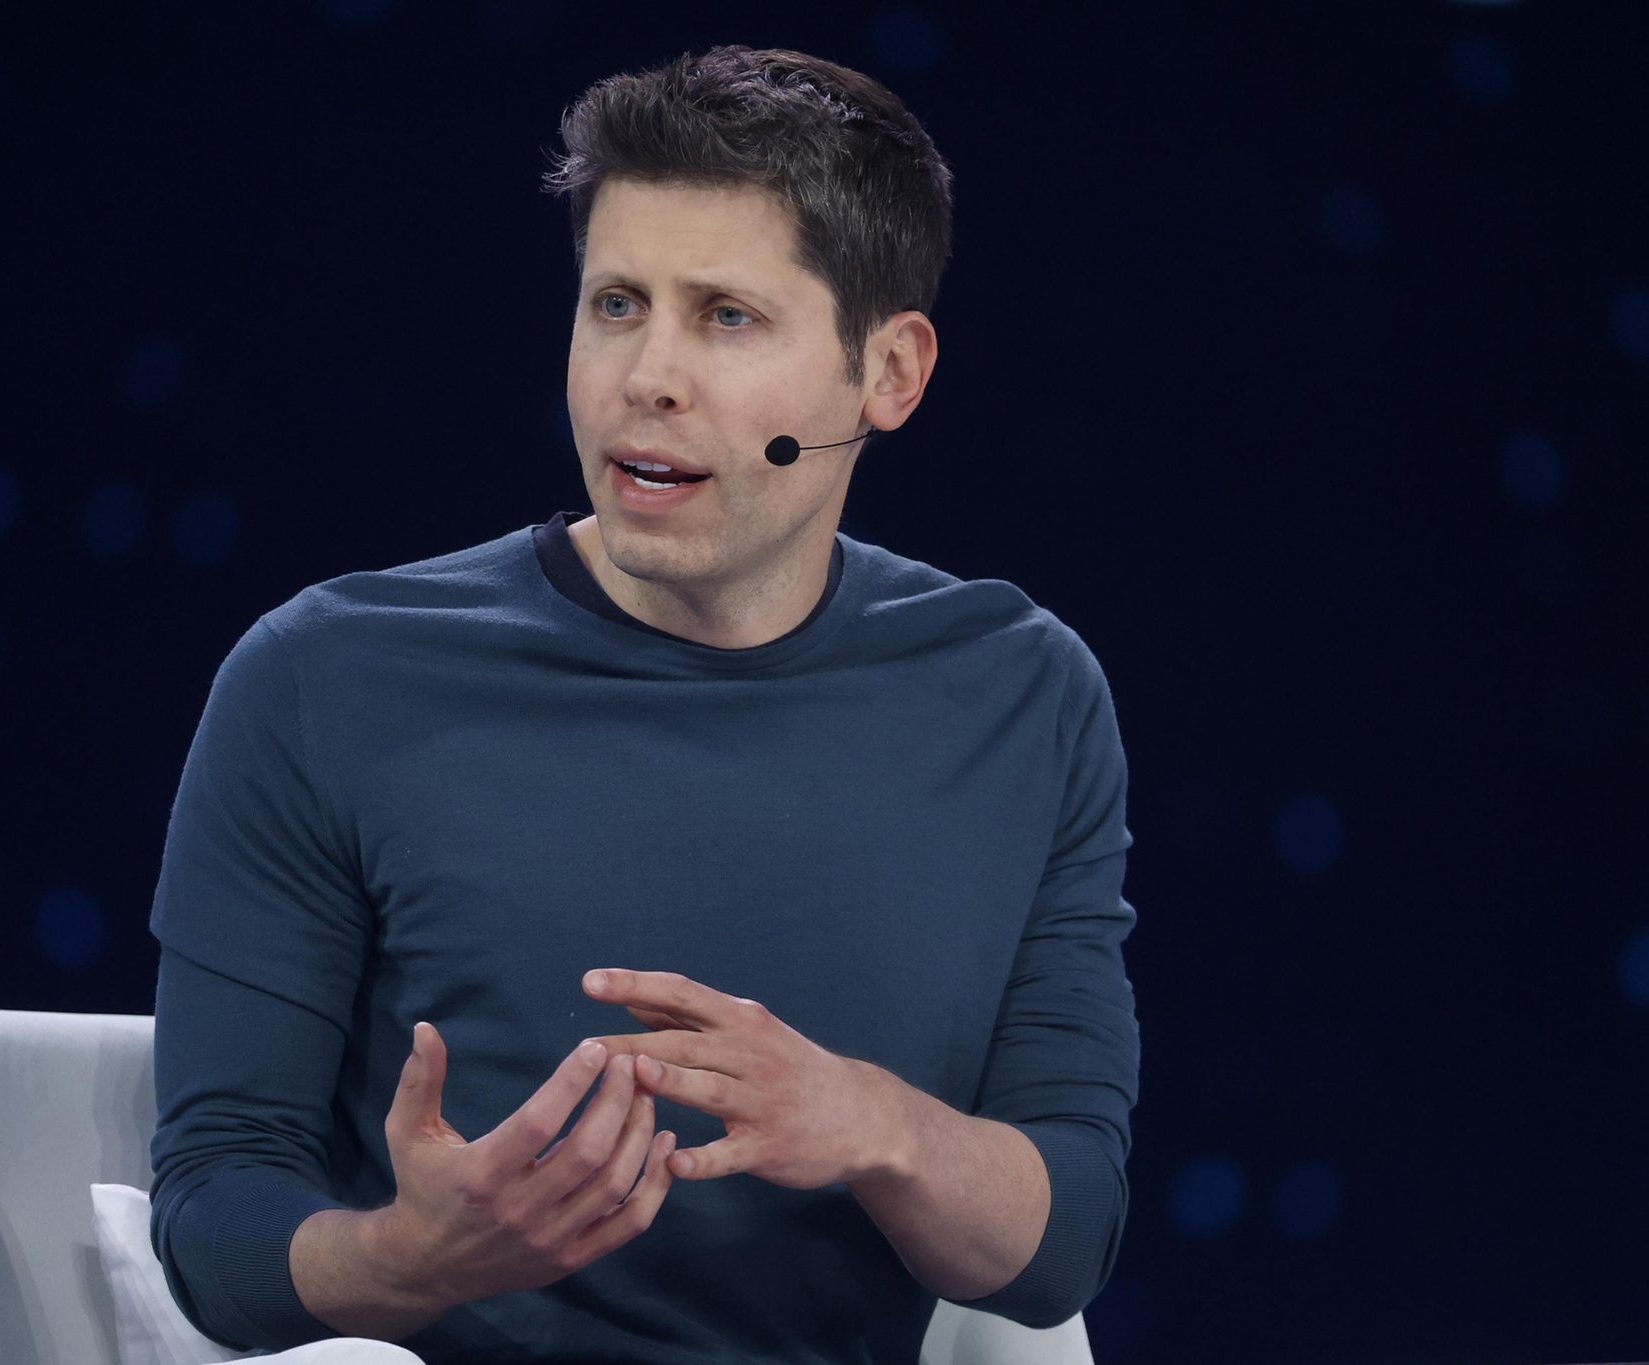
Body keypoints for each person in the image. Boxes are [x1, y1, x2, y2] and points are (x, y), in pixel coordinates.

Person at [148, 43, 1139, 1364]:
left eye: (724, 317)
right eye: (616, 304)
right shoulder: (326, 680)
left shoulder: (1021, 697)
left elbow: (1058, 1242)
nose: (644, 377)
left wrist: (871, 1124)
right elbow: (215, 1211)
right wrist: (407, 1259)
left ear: (887, 373)